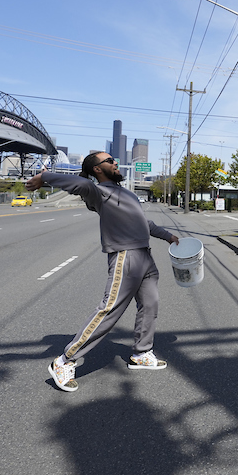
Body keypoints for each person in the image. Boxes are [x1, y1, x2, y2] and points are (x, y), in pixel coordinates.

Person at [26, 152, 179, 392]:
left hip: (145, 256)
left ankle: (141, 353)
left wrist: (168, 236)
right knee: (109, 310)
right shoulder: (98, 192)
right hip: (124, 256)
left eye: (115, 160)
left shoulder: (127, 194)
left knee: (151, 304)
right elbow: (81, 184)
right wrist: (44, 177)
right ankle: (64, 360)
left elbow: (145, 224)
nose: (115, 163)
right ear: (97, 169)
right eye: (110, 161)